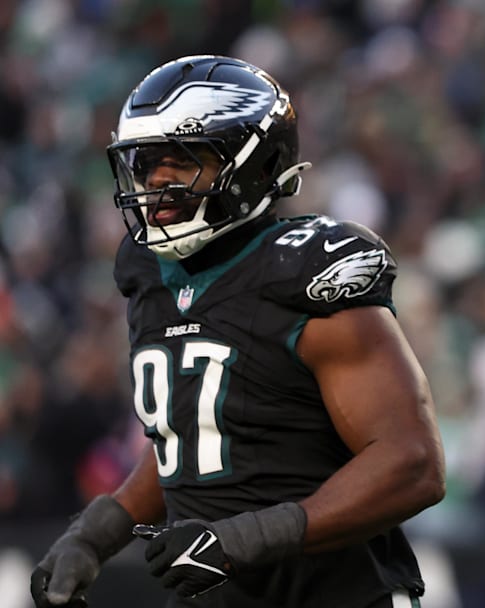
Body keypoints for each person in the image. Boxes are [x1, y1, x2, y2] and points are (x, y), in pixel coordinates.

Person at [29, 55, 446, 608]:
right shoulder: (149, 273)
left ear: (253, 164)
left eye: (183, 161)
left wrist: (243, 539)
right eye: (148, 162)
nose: (157, 180)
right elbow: (198, 438)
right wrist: (96, 534)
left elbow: (411, 463)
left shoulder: (303, 271)